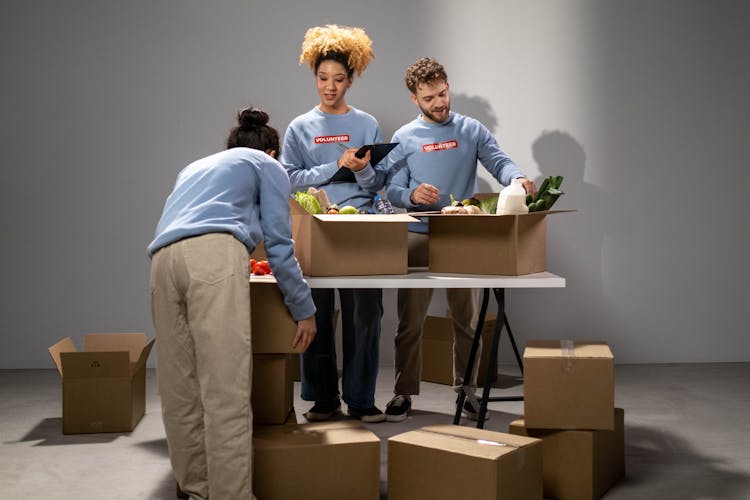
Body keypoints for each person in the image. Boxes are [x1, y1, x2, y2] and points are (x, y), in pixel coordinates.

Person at [148, 107, 316, 500]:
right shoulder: (268, 165)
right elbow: (278, 243)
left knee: (180, 388)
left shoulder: (193, 168)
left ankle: (195, 488)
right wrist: (303, 308)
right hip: (213, 257)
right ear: (273, 152)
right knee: (226, 389)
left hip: (162, 261)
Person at [383, 57, 537, 422]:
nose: (439, 103)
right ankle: (404, 393)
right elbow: (391, 188)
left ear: (447, 86)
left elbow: (500, 162)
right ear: (414, 99)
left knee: (466, 321)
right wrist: (410, 196)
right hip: (418, 235)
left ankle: (465, 392)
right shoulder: (404, 138)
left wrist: (518, 179)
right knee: (411, 321)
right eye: (429, 98)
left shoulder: (471, 129)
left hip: (462, 236)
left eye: (442, 93)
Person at [281, 25, 387, 423]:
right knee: (317, 313)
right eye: (324, 79)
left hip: (361, 226)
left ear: (350, 80)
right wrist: (336, 164)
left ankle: (360, 398)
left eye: (339, 79)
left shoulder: (367, 124)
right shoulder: (299, 127)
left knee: (365, 315)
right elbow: (288, 177)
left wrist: (360, 172)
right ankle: (323, 397)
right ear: (315, 78)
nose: (330, 87)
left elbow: (380, 183)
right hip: (316, 228)